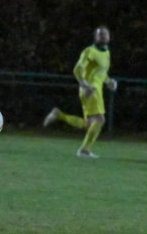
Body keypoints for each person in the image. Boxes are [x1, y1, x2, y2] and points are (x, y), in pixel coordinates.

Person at [43, 26, 117, 158]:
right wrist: (84, 85)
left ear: (109, 37)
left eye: (105, 34)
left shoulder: (106, 52)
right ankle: (84, 150)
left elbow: (101, 72)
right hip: (90, 90)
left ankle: (59, 115)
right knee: (100, 120)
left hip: (96, 89)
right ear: (95, 37)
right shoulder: (90, 51)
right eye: (100, 34)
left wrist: (109, 81)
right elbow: (77, 69)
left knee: (89, 124)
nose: (103, 36)